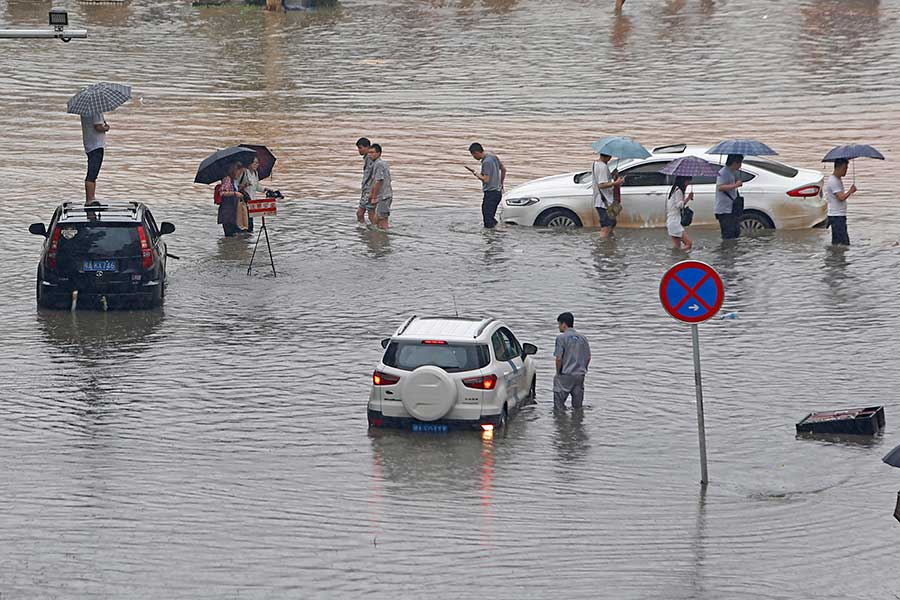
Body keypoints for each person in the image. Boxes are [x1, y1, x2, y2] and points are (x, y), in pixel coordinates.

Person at [553, 312, 591, 411]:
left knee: (559, 407)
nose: (559, 327)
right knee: (578, 408)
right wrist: (584, 369)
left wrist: (558, 373)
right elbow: (588, 357)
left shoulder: (561, 338)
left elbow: (558, 358)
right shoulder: (583, 338)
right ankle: (577, 424)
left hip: (565, 374)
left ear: (564, 324)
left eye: (559, 324)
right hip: (580, 375)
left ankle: (561, 425)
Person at [468, 143, 506, 229]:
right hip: (497, 192)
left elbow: (486, 179)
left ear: (476, 152)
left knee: (488, 221)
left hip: (490, 193)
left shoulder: (486, 162)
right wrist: (501, 183)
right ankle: (500, 230)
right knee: (490, 217)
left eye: (473, 155)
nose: (473, 157)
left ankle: (492, 239)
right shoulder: (493, 157)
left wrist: (475, 173)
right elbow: (504, 170)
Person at [825, 158, 857, 246]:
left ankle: (835, 257)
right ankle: (837, 258)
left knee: (837, 243)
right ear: (838, 168)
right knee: (843, 243)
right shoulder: (833, 181)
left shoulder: (837, 179)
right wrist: (850, 191)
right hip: (836, 216)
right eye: (844, 168)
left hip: (838, 215)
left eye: (847, 168)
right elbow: (841, 197)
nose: (846, 171)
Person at [592, 153, 624, 238]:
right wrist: (616, 183)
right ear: (609, 157)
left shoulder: (596, 163)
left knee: (612, 223)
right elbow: (601, 185)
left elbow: (602, 179)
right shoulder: (603, 167)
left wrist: (612, 175)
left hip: (602, 200)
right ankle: (603, 247)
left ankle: (609, 244)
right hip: (603, 202)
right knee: (606, 227)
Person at [81, 112, 109, 205]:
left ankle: (91, 197)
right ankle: (90, 199)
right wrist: (106, 127)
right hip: (96, 145)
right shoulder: (96, 111)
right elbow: (98, 126)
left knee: (92, 172)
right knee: (93, 173)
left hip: (89, 143)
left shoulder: (84, 111)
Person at [715, 154, 744, 240]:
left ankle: (732, 251)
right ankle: (726, 251)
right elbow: (720, 187)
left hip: (732, 208)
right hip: (724, 210)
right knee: (728, 234)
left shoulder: (732, 172)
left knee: (736, 232)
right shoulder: (723, 172)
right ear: (734, 162)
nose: (740, 166)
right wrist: (736, 185)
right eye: (740, 163)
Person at [237, 156, 267, 233]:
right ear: (249, 163)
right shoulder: (243, 172)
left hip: (252, 202)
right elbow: (236, 186)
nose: (257, 164)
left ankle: (248, 241)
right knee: (245, 223)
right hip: (244, 201)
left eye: (258, 163)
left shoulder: (255, 173)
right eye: (255, 163)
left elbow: (257, 186)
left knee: (250, 225)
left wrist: (265, 190)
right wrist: (244, 185)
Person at [367, 143, 392, 230]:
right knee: (383, 220)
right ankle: (382, 239)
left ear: (379, 153)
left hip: (384, 196)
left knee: (379, 220)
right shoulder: (380, 163)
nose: (370, 155)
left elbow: (378, 181)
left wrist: (374, 197)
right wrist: (371, 193)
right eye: (369, 153)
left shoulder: (379, 164)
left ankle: (378, 236)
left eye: (373, 152)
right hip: (386, 195)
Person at [217, 162, 245, 237]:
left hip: (232, 212)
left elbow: (231, 190)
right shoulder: (227, 179)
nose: (240, 175)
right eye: (240, 172)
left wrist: (241, 187)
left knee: (234, 235)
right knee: (230, 235)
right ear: (234, 170)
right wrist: (235, 193)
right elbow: (222, 193)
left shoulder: (233, 180)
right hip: (227, 212)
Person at [667, 175, 693, 250]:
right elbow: (679, 205)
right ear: (683, 181)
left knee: (677, 247)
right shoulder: (678, 191)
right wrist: (688, 198)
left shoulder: (675, 190)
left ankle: (676, 259)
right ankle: (681, 258)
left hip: (671, 221)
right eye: (687, 181)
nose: (688, 184)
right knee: (689, 244)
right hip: (675, 222)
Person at [355, 137, 375, 225]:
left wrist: (372, 192)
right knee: (370, 214)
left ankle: (370, 229)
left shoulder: (370, 159)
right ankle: (371, 229)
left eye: (360, 148)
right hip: (367, 190)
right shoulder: (368, 158)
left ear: (367, 147)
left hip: (369, 190)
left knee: (361, 213)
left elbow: (373, 176)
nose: (359, 150)